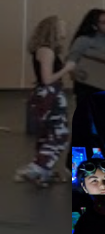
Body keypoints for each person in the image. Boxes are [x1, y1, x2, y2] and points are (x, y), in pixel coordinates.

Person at [18, 16, 74, 188]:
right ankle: (37, 167)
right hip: (50, 95)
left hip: (49, 94)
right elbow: (47, 79)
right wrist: (67, 68)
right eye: (61, 26)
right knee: (59, 134)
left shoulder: (47, 50)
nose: (65, 30)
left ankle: (43, 170)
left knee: (48, 133)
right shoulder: (47, 51)